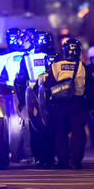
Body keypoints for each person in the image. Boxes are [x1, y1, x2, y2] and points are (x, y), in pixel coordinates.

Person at [43, 39, 93, 169]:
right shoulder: (84, 67)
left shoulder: (55, 66)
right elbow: (90, 88)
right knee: (78, 133)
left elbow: (48, 85)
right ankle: (76, 161)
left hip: (59, 104)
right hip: (78, 103)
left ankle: (62, 160)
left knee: (60, 133)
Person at [16, 31, 57, 167]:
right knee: (51, 127)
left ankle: (39, 157)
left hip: (33, 98)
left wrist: (22, 101)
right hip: (52, 97)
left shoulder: (27, 58)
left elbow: (20, 80)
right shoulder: (54, 57)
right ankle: (51, 157)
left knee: (35, 128)